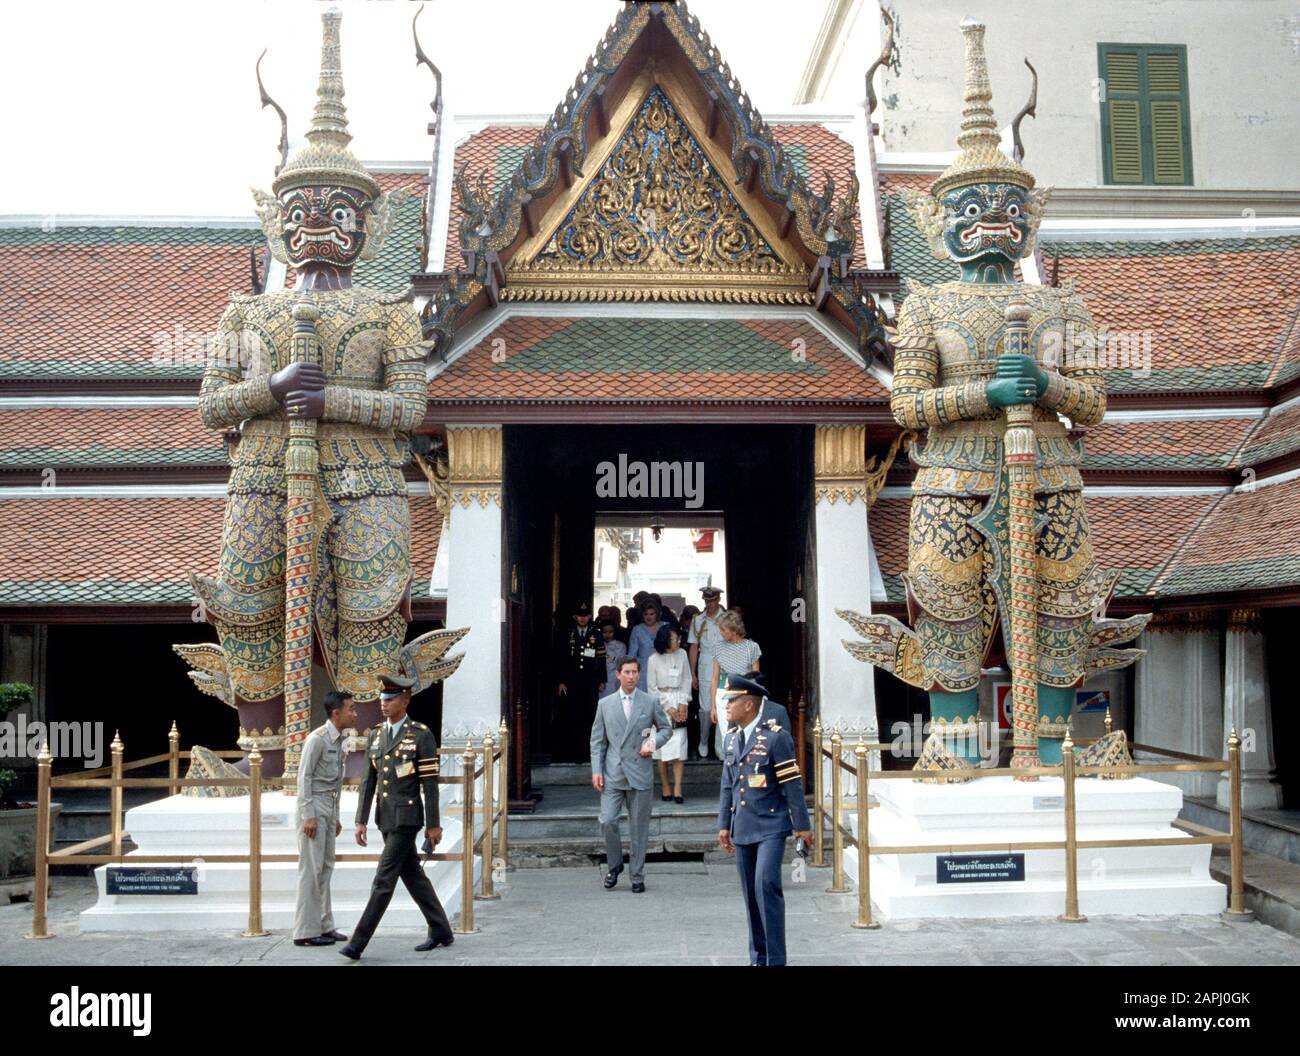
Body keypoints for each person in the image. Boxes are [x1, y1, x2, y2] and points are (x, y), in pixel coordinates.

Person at [340, 672, 453, 959]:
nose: (384, 704)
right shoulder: (377, 734)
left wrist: (433, 825)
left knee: (383, 880)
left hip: (407, 819)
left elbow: (430, 783)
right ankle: (441, 929)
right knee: (413, 875)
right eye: (382, 699)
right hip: (385, 817)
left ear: (405, 701)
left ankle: (358, 942)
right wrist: (360, 820)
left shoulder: (420, 734)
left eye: (390, 700)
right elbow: (369, 781)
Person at [717, 674, 812, 967]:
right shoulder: (732, 739)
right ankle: (757, 957)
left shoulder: (775, 737)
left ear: (748, 704)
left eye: (731, 701)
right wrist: (723, 824)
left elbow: (792, 784)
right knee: (750, 892)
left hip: (771, 825)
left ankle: (776, 960)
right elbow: (727, 784)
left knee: (766, 884)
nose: (727, 706)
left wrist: (802, 826)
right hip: (743, 826)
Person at [590, 656, 672, 893]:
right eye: (626, 672)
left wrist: (653, 742)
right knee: (608, 820)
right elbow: (597, 741)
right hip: (613, 772)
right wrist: (596, 770)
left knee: (639, 827)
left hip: (640, 771)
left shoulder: (649, 702)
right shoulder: (605, 704)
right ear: (618, 674)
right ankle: (614, 865)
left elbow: (666, 728)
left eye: (635, 672)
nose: (631, 676)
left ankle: (637, 874)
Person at [293, 690, 355, 947]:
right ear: (336, 712)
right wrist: (308, 815)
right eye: (350, 708)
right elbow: (303, 778)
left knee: (326, 865)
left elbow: (337, 782)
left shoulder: (340, 739)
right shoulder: (316, 739)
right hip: (314, 805)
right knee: (311, 868)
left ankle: (324, 924)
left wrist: (336, 815)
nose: (355, 713)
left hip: (328, 804)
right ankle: (305, 931)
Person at [708, 610, 762, 757]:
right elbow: (714, 678)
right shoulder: (718, 648)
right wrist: (712, 706)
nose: (721, 632)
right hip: (724, 693)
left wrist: (754, 698)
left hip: (746, 693)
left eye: (723, 629)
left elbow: (755, 676)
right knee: (728, 736)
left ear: (733, 629)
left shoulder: (752, 647)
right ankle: (732, 770)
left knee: (750, 732)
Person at [556, 602, 606, 761]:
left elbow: (601, 658)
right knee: (573, 715)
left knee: (590, 715)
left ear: (590, 617)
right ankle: (573, 752)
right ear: (575, 617)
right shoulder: (568, 633)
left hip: (590, 681)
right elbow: (561, 658)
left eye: (585, 616)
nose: (583, 618)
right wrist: (561, 680)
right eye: (580, 616)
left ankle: (589, 752)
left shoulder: (596, 634)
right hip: (572, 682)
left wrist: (602, 679)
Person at [647, 624, 691, 802]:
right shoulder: (653, 659)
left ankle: (678, 787)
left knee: (679, 746)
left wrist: (682, 703)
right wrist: (669, 707)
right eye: (675, 639)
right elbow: (651, 688)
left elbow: (687, 677)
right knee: (662, 749)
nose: (678, 642)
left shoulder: (682, 654)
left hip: (679, 699)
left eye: (679, 638)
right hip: (661, 704)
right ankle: (665, 786)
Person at [688, 586, 726, 759]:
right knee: (704, 708)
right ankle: (703, 740)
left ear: (718, 600)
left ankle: (720, 745)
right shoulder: (698, 620)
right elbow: (694, 647)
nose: (709, 604)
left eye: (712, 601)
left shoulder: (726, 618)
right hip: (705, 664)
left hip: (725, 662)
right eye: (707, 601)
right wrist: (693, 673)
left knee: (723, 705)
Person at [627, 600, 661, 691]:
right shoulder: (637, 630)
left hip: (663, 670)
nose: (648, 617)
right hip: (644, 672)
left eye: (651, 614)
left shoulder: (665, 627)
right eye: (646, 614)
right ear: (642, 615)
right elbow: (632, 654)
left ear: (657, 614)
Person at [601, 621, 627, 693]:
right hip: (601, 680)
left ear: (615, 632)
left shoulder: (621, 646)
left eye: (610, 632)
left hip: (615, 679)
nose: (607, 634)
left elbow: (621, 664)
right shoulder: (598, 645)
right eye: (604, 632)